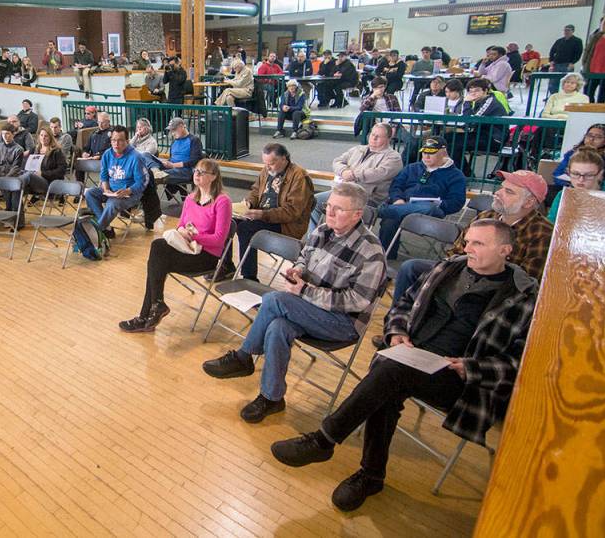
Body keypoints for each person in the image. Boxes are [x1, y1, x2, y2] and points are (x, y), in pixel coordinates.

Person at [270, 219, 536, 512]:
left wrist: (470, 367)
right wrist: (397, 332)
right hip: (413, 357)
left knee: (390, 370)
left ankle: (324, 440)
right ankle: (371, 476)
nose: (467, 248)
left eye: (478, 243)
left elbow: (521, 362)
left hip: (461, 379)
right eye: (467, 241)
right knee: (390, 379)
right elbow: (404, 304)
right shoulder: (448, 268)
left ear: (505, 250)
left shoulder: (522, 297)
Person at [202, 183, 386, 423]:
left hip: (343, 323)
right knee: (278, 326)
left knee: (274, 299)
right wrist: (298, 270)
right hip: (309, 308)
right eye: (328, 206)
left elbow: (357, 301)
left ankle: (244, 356)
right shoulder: (322, 230)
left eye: (338, 209)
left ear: (357, 215)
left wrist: (306, 290)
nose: (329, 213)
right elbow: (303, 257)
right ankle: (272, 398)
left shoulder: (371, 251)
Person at [387, 169, 552, 318]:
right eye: (501, 188)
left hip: (495, 289)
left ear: (529, 202)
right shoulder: (486, 216)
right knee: (410, 268)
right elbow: (457, 251)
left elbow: (526, 282)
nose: (497, 193)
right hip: (462, 271)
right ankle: (399, 324)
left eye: (508, 191)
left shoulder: (543, 234)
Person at [119, 159, 233, 333]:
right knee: (158, 247)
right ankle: (155, 306)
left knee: (157, 263)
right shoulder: (191, 198)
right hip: (186, 247)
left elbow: (218, 240)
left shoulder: (222, 201)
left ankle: (147, 315)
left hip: (206, 256)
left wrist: (194, 236)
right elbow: (181, 225)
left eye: (202, 172)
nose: (196, 174)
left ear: (214, 176)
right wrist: (182, 231)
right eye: (196, 171)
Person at [218, 143, 315, 281]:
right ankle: (226, 265)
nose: (267, 167)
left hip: (286, 224)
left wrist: (262, 214)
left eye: (271, 163)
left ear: (284, 159)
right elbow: (256, 191)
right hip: (263, 215)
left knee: (245, 228)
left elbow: (292, 212)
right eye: (265, 163)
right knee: (227, 220)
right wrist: (249, 203)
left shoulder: (299, 177)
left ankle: (249, 277)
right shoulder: (267, 170)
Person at [378, 137, 466, 258]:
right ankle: (386, 256)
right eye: (424, 152)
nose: (426, 157)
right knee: (390, 220)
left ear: (443, 152)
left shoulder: (456, 175)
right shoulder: (412, 168)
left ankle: (380, 210)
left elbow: (457, 202)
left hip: (431, 211)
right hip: (403, 205)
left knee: (427, 207)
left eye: (431, 153)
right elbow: (396, 186)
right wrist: (398, 199)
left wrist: (438, 203)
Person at [311, 123, 403, 229]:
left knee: (339, 208)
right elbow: (337, 161)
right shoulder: (358, 149)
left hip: (367, 197)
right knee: (313, 202)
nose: (373, 138)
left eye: (378, 136)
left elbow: (378, 173)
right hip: (344, 190)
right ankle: (315, 236)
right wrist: (344, 171)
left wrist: (353, 174)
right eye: (372, 134)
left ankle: (336, 236)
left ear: (388, 139)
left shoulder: (394, 158)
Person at [83, 126, 146, 240]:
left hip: (130, 193)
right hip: (111, 190)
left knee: (112, 204)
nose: (116, 144)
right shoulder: (107, 154)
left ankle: (96, 231)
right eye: (113, 140)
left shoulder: (136, 157)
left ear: (127, 141)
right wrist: (106, 189)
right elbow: (104, 176)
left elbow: (141, 183)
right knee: (90, 193)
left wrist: (128, 190)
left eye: (120, 140)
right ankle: (106, 227)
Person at [447, 78, 507, 175]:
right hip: (481, 135)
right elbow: (468, 121)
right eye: (470, 91)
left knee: (454, 144)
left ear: (485, 91)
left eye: (477, 90)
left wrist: (466, 102)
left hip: (493, 139)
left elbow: (470, 121)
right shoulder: (479, 102)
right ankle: (464, 173)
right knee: (447, 138)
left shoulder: (490, 102)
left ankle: (464, 175)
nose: (473, 93)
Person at [553, 123, 605, 191]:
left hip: (602, 191)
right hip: (573, 189)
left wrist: (595, 185)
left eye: (598, 137)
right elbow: (557, 174)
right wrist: (575, 184)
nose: (591, 139)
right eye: (589, 135)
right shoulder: (573, 153)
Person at [549, 149, 605, 223]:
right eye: (575, 174)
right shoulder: (562, 195)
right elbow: (551, 224)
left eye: (589, 175)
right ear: (568, 172)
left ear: (600, 174)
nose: (581, 180)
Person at [160, 118, 204, 198]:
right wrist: (165, 163)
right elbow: (172, 158)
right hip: (173, 170)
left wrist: (173, 165)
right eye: (171, 131)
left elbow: (194, 161)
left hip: (186, 171)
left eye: (174, 130)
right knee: (149, 169)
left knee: (152, 176)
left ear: (181, 126)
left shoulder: (194, 140)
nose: (172, 133)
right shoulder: (174, 142)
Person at [0, 127, 25, 224]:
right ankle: (9, 218)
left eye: (8, 133)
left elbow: (16, 168)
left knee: (14, 199)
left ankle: (18, 222)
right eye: (3, 134)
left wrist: (4, 180)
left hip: (13, 178)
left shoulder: (19, 149)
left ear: (13, 134)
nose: (5, 136)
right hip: (0, 177)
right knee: (7, 200)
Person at [23, 127, 68, 200]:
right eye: (41, 135)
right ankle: (16, 205)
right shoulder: (35, 149)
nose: (43, 138)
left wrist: (42, 173)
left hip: (49, 182)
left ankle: (16, 184)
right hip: (33, 180)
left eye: (46, 136)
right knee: (19, 176)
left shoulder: (56, 151)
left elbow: (62, 171)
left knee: (28, 176)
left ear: (50, 137)